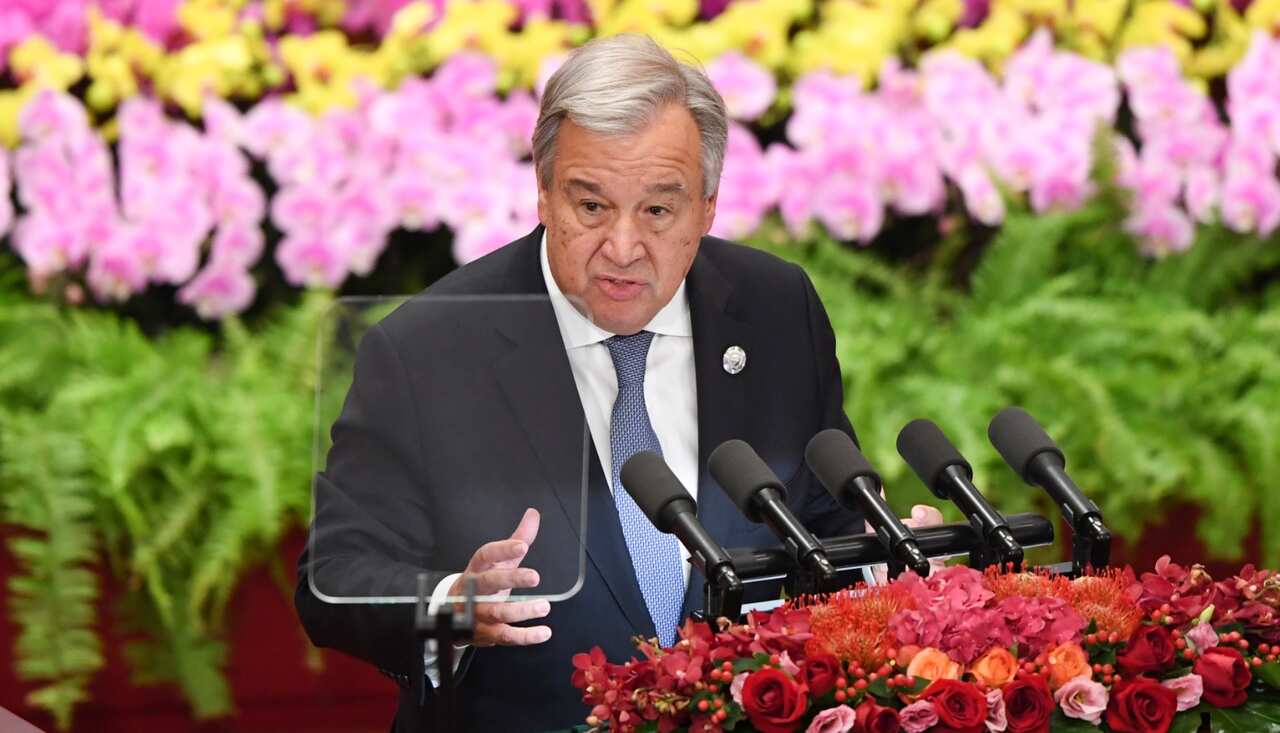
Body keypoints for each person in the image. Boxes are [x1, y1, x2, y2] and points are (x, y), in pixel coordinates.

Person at [295, 34, 938, 732]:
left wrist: (880, 556)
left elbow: (820, 515)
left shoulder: (775, 309)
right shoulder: (426, 348)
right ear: (543, 194)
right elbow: (335, 578)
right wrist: (451, 602)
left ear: (707, 209)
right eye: (591, 207)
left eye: (659, 210)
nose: (624, 247)